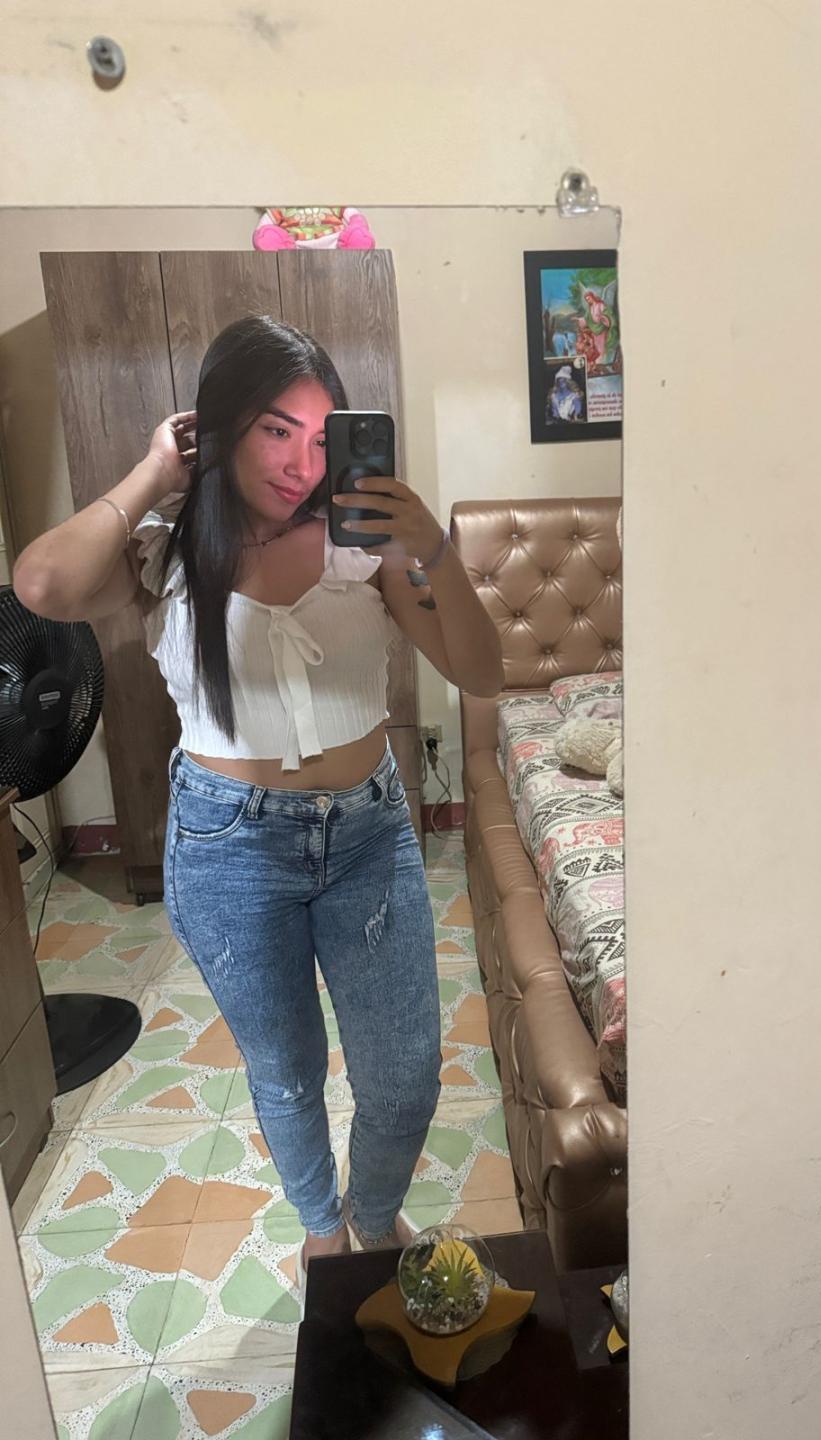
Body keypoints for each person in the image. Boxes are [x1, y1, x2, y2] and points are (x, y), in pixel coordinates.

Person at [14, 314, 504, 1299]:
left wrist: (432, 548)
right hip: (228, 847)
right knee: (286, 1070)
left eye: (322, 436)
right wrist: (154, 472)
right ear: (220, 426)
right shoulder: (163, 555)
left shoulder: (366, 547)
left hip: (367, 835)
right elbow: (40, 583)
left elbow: (482, 669)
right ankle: (325, 1228)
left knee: (405, 1074)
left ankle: (375, 1216)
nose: (302, 462)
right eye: (276, 429)